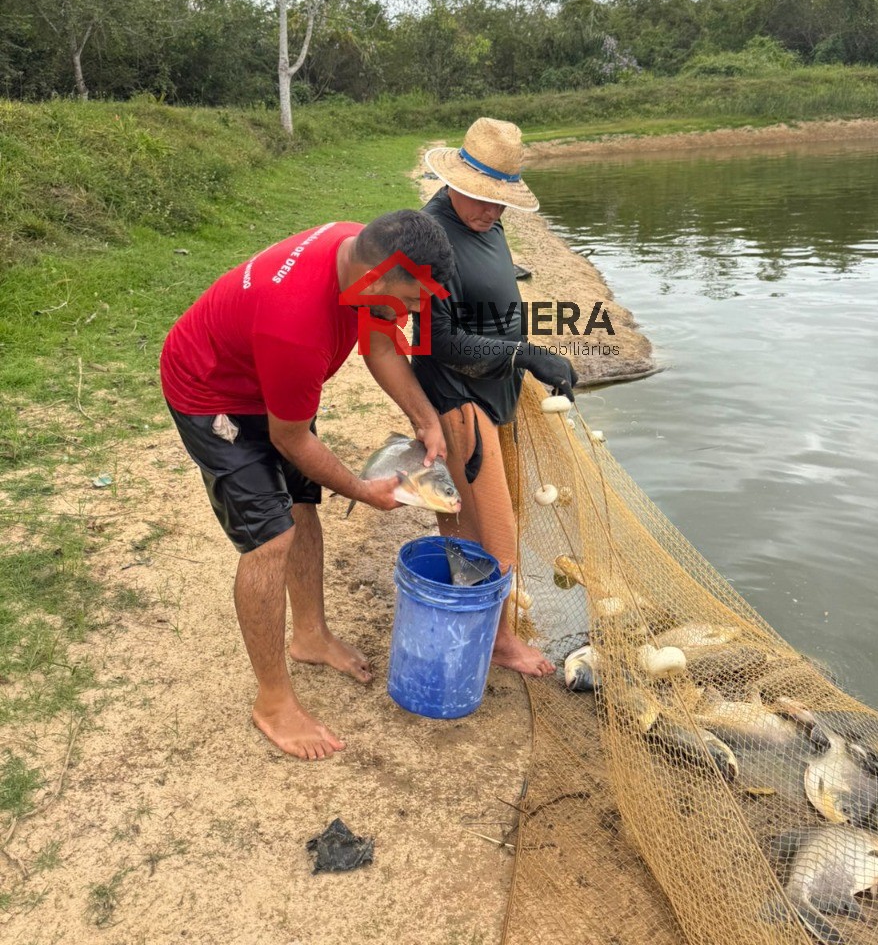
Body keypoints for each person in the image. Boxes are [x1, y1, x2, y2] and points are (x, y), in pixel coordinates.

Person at [160, 210, 455, 761]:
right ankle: (273, 701)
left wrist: (425, 419)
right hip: (213, 393)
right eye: (413, 302)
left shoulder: (360, 255)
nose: (419, 313)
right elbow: (291, 439)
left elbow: (382, 347)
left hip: (269, 381)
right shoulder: (294, 322)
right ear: (379, 277)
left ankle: (311, 636)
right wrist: (365, 492)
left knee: (300, 507)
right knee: (270, 539)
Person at [412, 118, 578, 677]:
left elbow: (485, 300)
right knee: (496, 527)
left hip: (495, 387)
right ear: (456, 183)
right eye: (485, 200)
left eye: (501, 202)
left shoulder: (486, 221)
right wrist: (524, 354)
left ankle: (472, 614)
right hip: (458, 395)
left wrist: (523, 348)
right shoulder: (433, 237)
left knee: (461, 519)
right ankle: (503, 642)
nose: (494, 211)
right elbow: (436, 338)